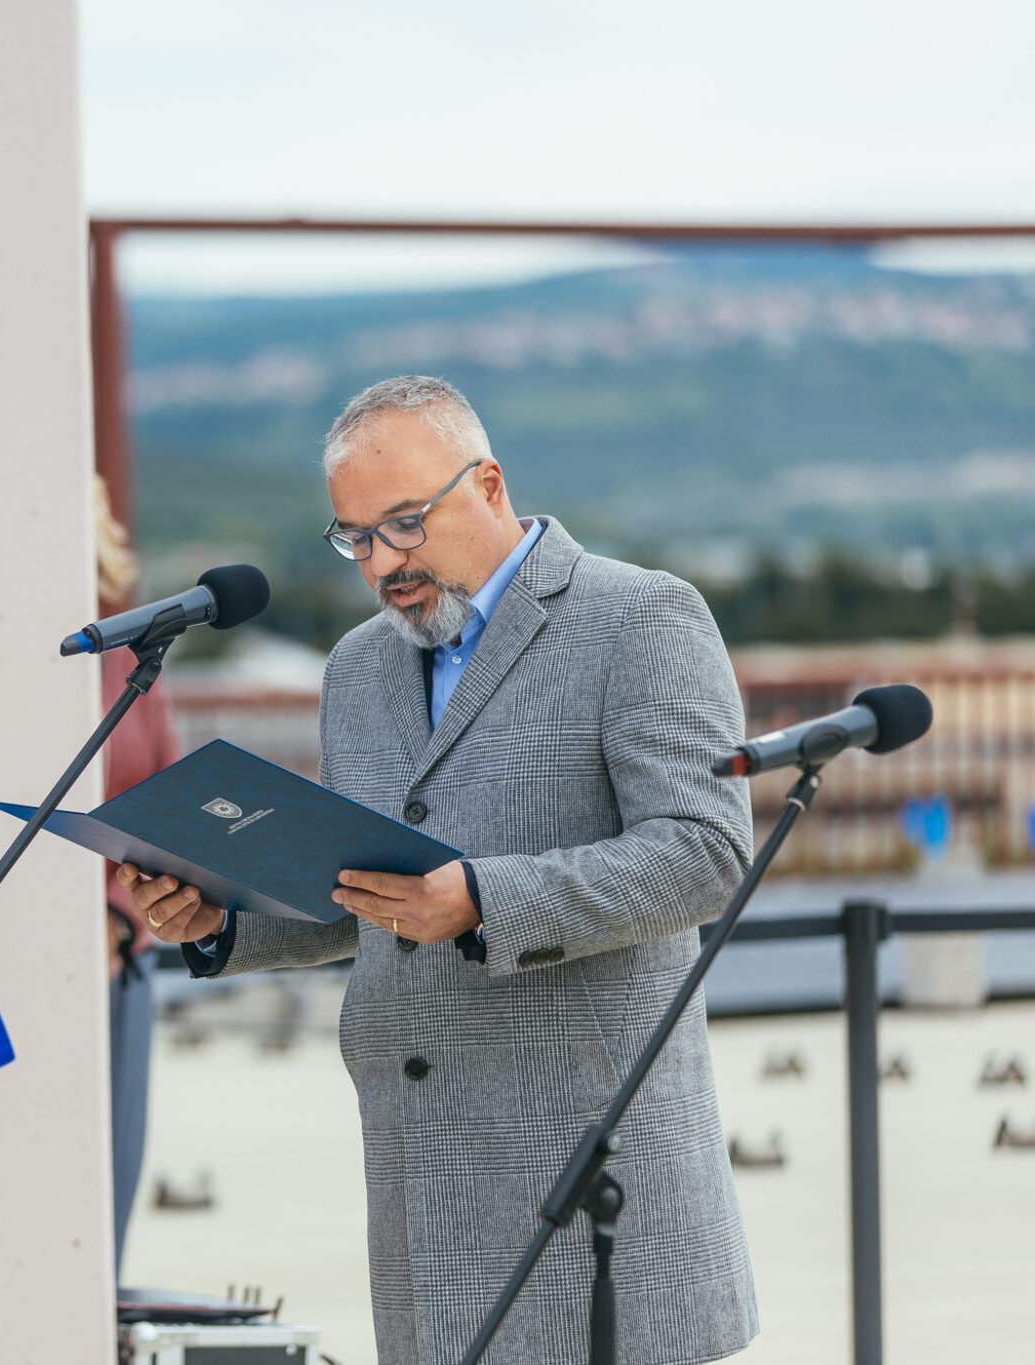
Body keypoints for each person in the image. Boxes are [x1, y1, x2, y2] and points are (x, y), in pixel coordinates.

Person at [120, 376, 757, 1365]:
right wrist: (219, 923)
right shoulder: (357, 668)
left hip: (592, 1173)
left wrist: (479, 900)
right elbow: (362, 894)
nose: (382, 561)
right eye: (354, 537)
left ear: (490, 484)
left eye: (404, 523)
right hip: (422, 1170)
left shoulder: (640, 618)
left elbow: (703, 853)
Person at [92, 476, 183, 1275]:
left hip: (124, 952)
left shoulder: (131, 665)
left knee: (112, 1166)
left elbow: (169, 799)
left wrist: (124, 916)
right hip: (43, 950)